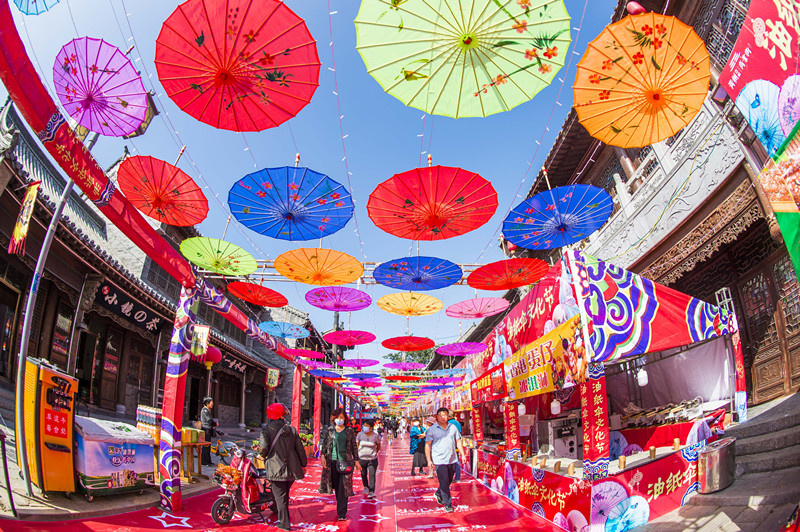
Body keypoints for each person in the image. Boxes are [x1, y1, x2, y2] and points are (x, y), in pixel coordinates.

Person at [259, 404, 307, 531]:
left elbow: (263, 448)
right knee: (283, 494)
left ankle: (284, 523)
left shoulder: (267, 430)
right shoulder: (292, 430)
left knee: (280, 495)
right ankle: (278, 510)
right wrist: (303, 465)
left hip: (275, 467)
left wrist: (261, 456)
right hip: (292, 468)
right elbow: (300, 450)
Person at [319, 408, 360, 522]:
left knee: (344, 487)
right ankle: (340, 506)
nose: (339, 420)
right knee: (336, 486)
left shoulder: (349, 431)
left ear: (345, 419)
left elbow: (353, 446)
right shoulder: (330, 430)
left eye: (341, 418)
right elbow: (325, 444)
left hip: (346, 462)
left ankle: (342, 512)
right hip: (332, 462)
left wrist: (356, 460)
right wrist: (322, 456)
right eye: (337, 418)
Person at [425, 407, 467, 513]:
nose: (443, 417)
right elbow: (427, 445)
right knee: (443, 481)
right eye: (441, 415)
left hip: (452, 459)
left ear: (448, 416)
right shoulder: (432, 429)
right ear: (437, 417)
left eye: (445, 415)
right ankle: (448, 504)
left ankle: (438, 493)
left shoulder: (453, 427)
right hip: (439, 460)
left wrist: (462, 454)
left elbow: (458, 441)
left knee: (448, 481)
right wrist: (429, 460)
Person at [356, 419, 381, 498]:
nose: (365, 427)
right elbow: (357, 445)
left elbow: (378, 446)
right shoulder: (360, 434)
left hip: (372, 459)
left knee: (372, 475)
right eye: (364, 426)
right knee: (363, 473)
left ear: (371, 428)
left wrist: (374, 452)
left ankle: (371, 491)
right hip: (362, 458)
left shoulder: (375, 435)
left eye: (367, 426)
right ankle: (365, 486)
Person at [200, 397, 222, 466]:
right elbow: (209, 420)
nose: (212, 404)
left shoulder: (207, 410)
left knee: (208, 446)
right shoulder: (205, 410)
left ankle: (208, 461)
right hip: (206, 429)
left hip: (208, 429)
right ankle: (204, 461)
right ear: (207, 403)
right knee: (206, 446)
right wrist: (215, 424)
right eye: (211, 402)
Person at [448, 411, 463, 483]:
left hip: (448, 445)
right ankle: (457, 478)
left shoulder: (447, 423)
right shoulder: (457, 423)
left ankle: (449, 477)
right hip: (456, 445)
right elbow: (459, 434)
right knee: (456, 461)